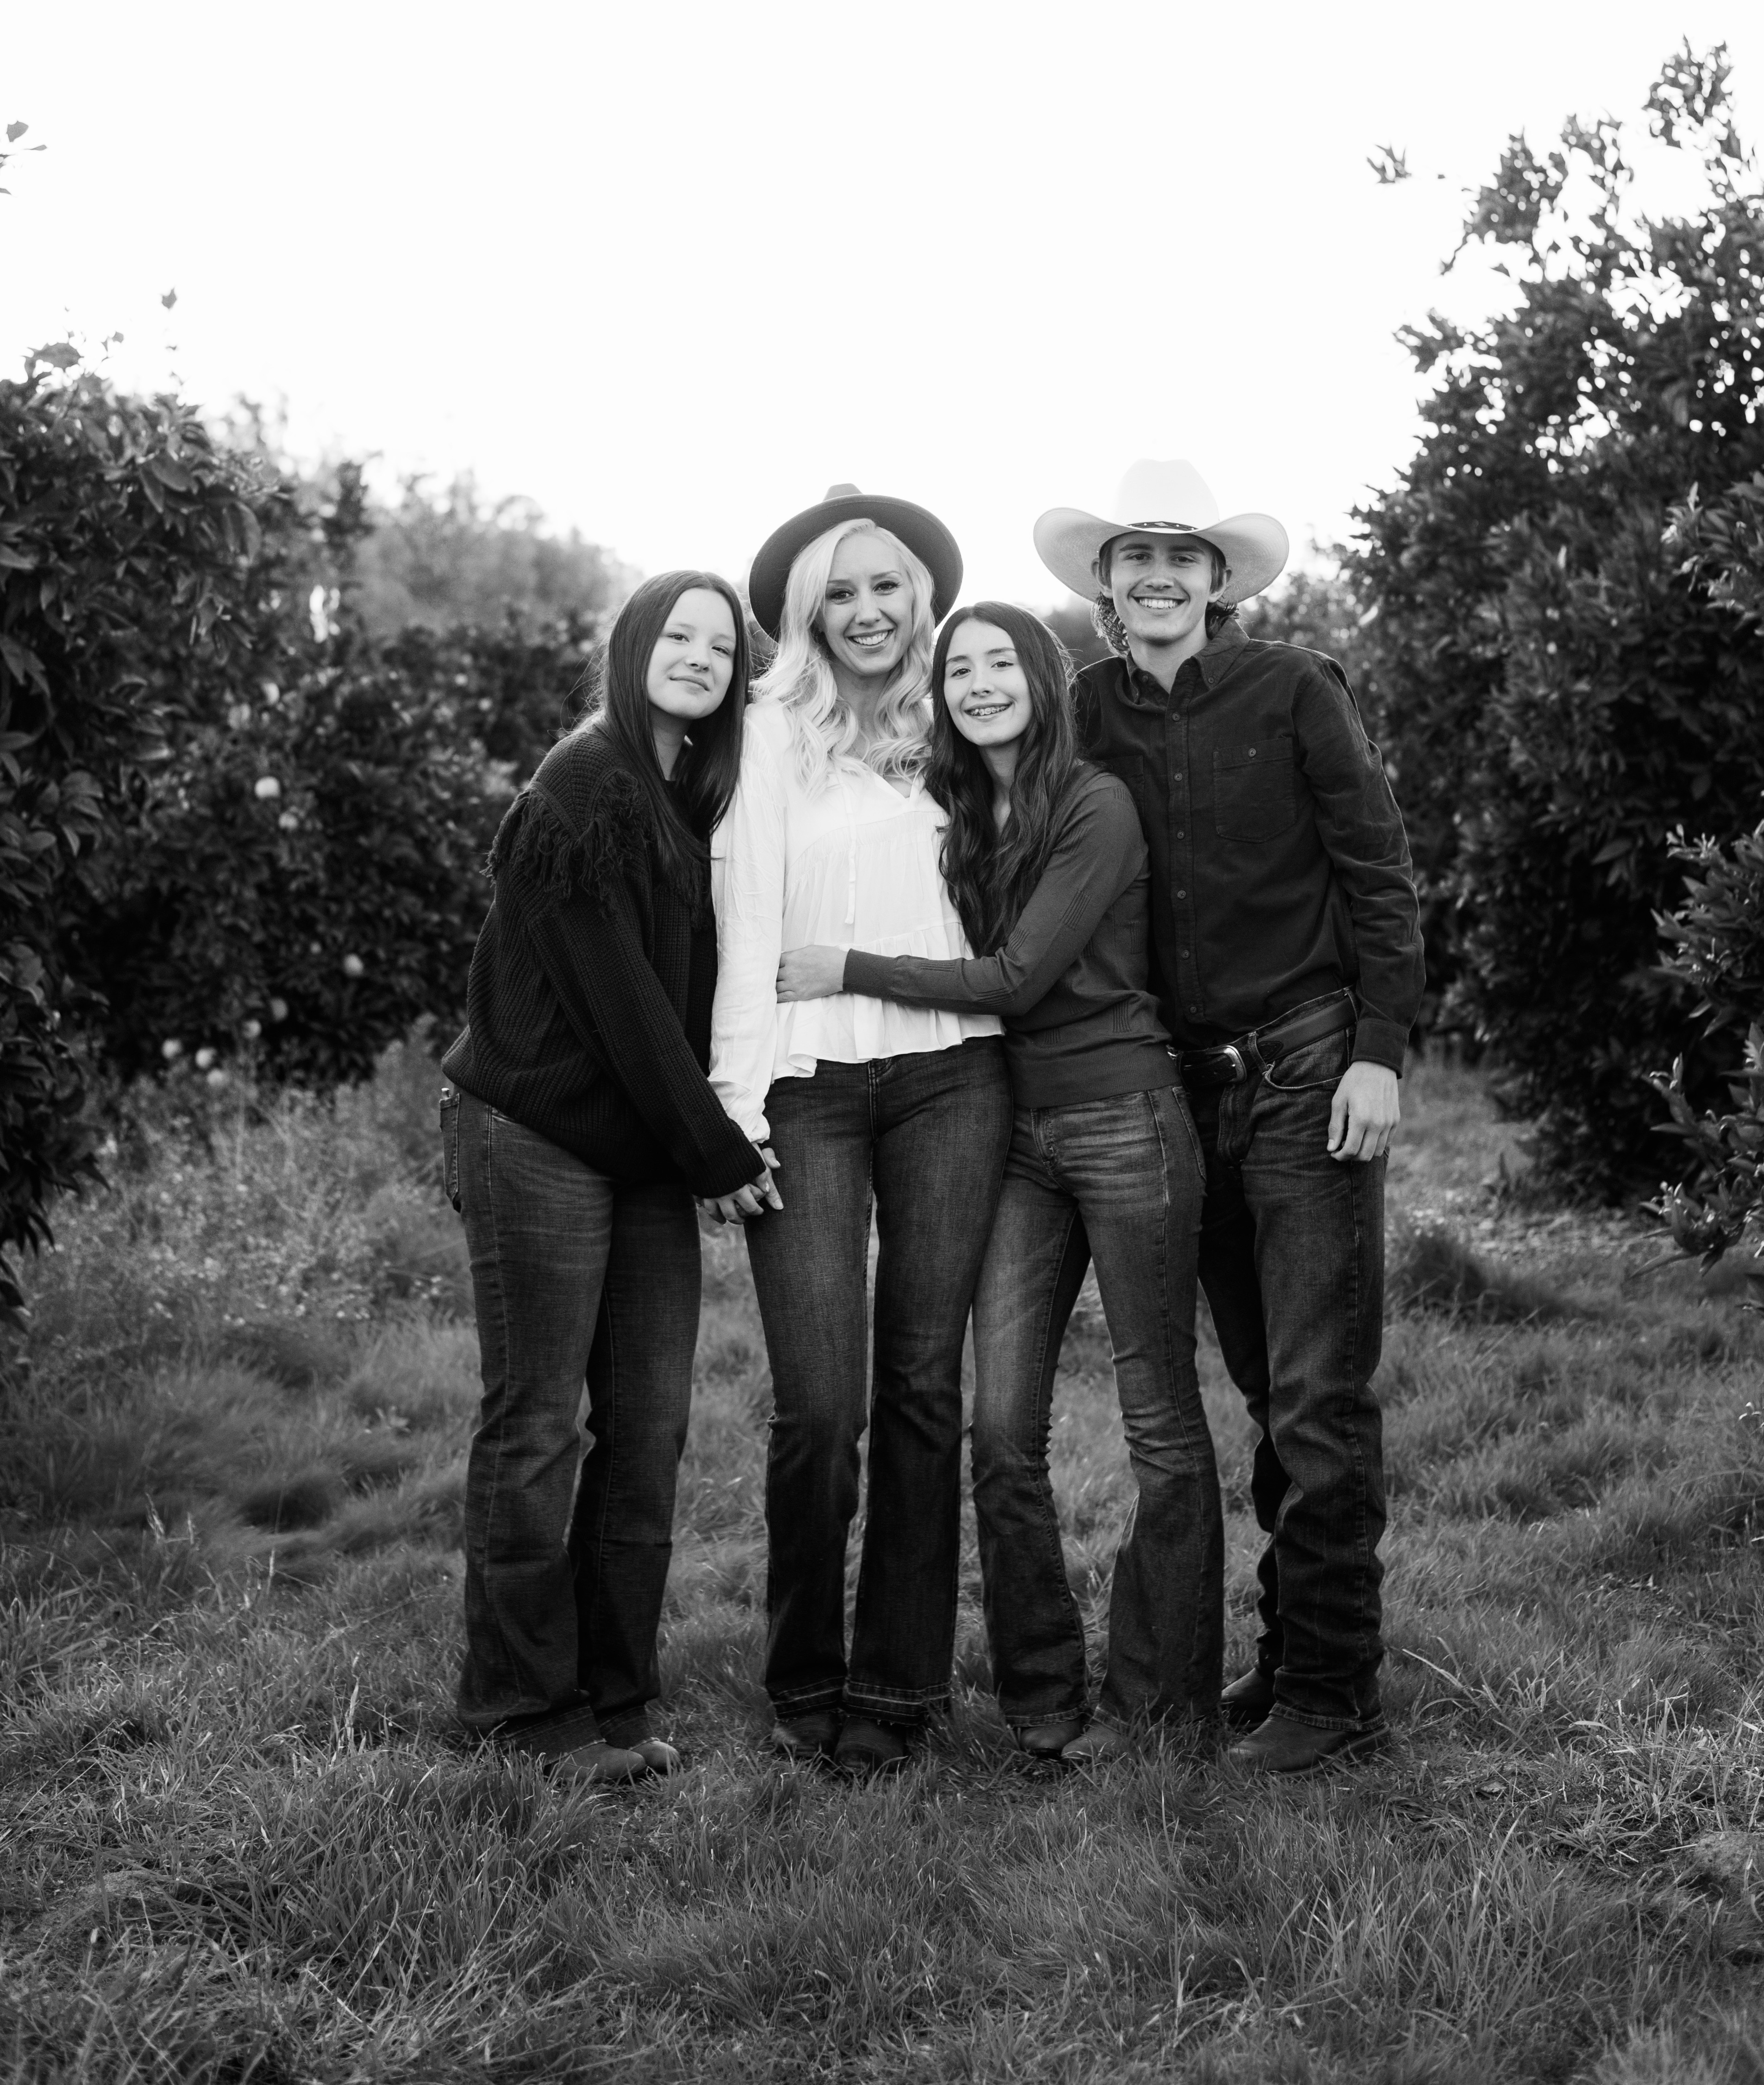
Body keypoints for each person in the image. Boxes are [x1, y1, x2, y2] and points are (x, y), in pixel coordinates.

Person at [778, 603, 1223, 1762]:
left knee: (1159, 1419)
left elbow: (1020, 978)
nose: (978, 683)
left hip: (1125, 1117)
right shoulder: (963, 808)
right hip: (1020, 1131)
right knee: (999, 1428)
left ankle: (1159, 1696)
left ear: (1043, 677)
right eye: (958, 667)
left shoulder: (1096, 803)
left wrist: (843, 966)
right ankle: (1044, 1697)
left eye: (998, 663)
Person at [1033, 460, 1425, 1774]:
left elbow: (1378, 870)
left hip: (1308, 1063)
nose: (1155, 574)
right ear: (1106, 581)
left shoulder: (1294, 689)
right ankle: (1288, 1653)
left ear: (1216, 580)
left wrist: (1380, 1050)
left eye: (1181, 555)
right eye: (1134, 555)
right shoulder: (1078, 714)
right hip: (1175, 1083)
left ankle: (1336, 1689)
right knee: (1262, 1385)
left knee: (1317, 1391)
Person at [440, 570, 777, 1784]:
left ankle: (617, 1694)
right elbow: (623, 1004)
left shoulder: (702, 790)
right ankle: (521, 1711)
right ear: (633, 650)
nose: (699, 656)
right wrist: (717, 1154)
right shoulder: (585, 783)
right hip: (536, 1133)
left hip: (637, 1145)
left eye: (722, 644)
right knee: (538, 1425)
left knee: (648, 1429)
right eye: (676, 636)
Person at [710, 488, 1013, 1776]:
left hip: (954, 1080)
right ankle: (803, 1678)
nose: (868, 610)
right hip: (808, 1090)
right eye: (841, 592)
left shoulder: (959, 712)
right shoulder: (770, 732)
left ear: (919, 596)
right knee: (821, 1403)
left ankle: (899, 1689)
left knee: (922, 1388)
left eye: (887, 586)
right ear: (806, 612)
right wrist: (733, 1110)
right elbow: (746, 929)